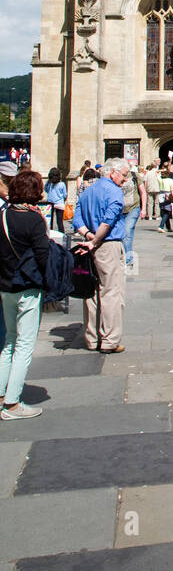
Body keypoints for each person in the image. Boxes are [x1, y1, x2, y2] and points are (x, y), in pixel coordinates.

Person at [0, 169, 50, 419]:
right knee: (24, 345)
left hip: (5, 287)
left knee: (9, 340)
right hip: (27, 287)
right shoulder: (33, 219)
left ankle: (1, 394)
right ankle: (12, 403)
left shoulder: (3, 215)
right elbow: (43, 255)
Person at [72, 158, 129, 353]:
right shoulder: (114, 191)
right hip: (108, 245)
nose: (125, 180)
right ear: (113, 172)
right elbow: (109, 220)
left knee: (91, 292)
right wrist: (95, 240)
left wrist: (88, 236)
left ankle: (92, 338)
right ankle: (109, 340)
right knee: (111, 292)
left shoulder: (88, 191)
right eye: (124, 175)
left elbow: (76, 219)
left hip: (89, 244)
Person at [120, 160, 146, 269]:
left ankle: (128, 260)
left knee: (127, 232)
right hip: (119, 209)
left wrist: (143, 209)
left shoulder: (135, 176)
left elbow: (143, 192)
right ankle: (122, 256)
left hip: (133, 207)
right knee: (122, 234)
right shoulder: (116, 177)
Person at [44, 168, 68, 233]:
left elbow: (46, 190)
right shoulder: (62, 184)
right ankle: (62, 234)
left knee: (49, 220)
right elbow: (65, 195)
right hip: (59, 203)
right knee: (59, 221)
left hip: (50, 203)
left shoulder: (49, 183)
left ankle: (49, 233)